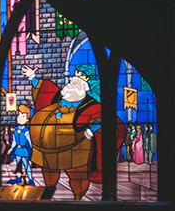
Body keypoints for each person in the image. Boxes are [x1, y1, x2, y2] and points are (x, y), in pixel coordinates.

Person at [21, 63, 125, 200]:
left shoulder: (91, 106)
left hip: (77, 152)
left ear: (84, 88)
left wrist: (92, 130)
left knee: (78, 178)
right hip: (49, 151)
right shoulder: (59, 98)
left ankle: (78, 201)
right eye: (70, 81)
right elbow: (46, 91)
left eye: (74, 82)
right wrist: (33, 77)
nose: (69, 84)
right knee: (49, 175)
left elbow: (102, 118)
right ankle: (47, 196)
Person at [7, 104, 35, 186]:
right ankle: (18, 178)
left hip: (24, 150)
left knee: (26, 165)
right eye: (19, 114)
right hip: (17, 150)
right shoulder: (16, 129)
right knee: (18, 165)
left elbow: (30, 142)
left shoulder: (26, 131)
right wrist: (11, 148)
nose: (19, 117)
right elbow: (15, 141)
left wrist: (32, 150)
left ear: (27, 120)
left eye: (23, 116)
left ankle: (30, 180)